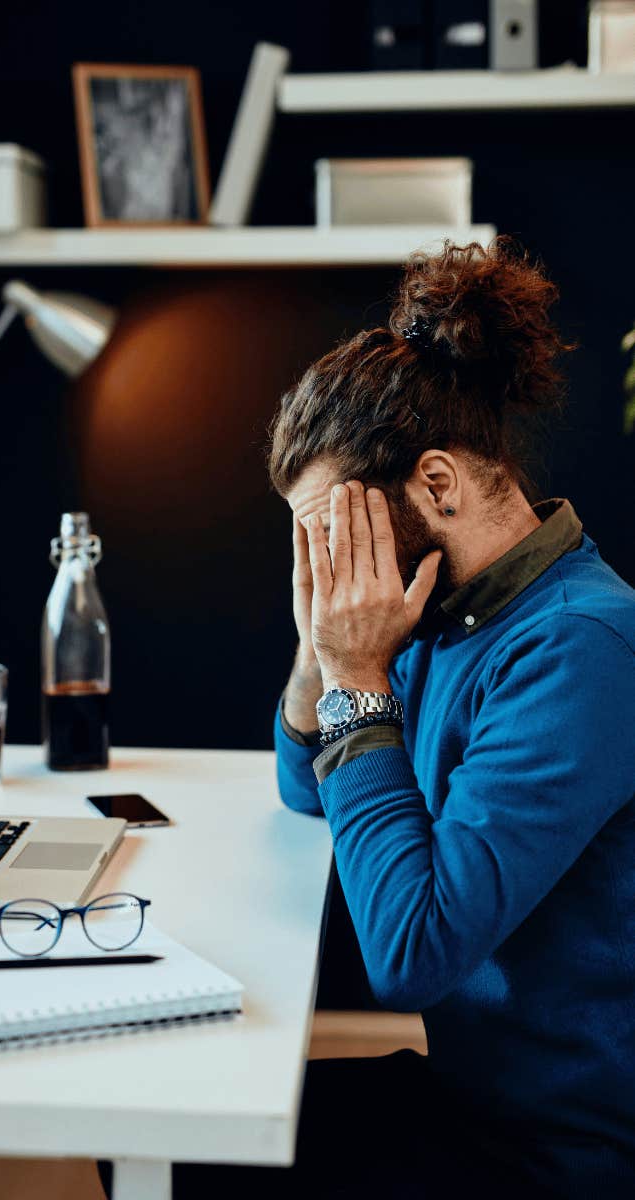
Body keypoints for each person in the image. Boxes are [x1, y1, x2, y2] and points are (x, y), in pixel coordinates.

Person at [262, 236, 635, 1198]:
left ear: (436, 485)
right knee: (184, 1124)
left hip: (558, 1154)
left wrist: (356, 671)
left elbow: (411, 956)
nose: (328, 570)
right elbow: (303, 786)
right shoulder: (443, 610)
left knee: (194, 1152)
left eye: (331, 535)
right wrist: (320, 647)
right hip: (477, 1100)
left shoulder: (581, 648)